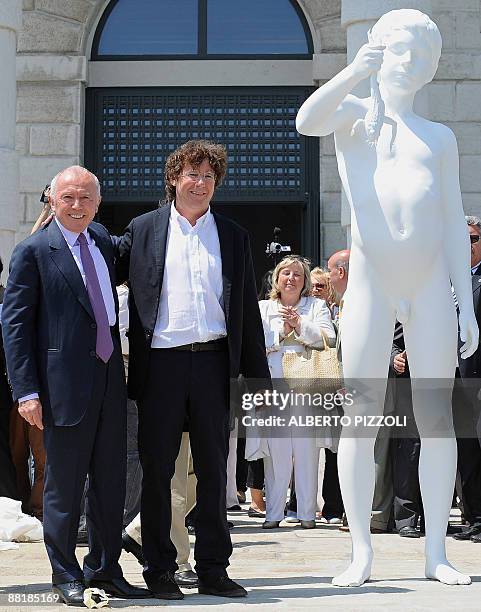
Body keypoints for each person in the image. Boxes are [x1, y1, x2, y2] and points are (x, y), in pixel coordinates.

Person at [297, 9, 478, 586]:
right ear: (378, 53)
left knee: (437, 421)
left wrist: (465, 303)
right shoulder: (353, 118)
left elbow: (452, 219)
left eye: (424, 56)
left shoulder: (440, 137)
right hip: (373, 283)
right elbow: (306, 120)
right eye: (403, 51)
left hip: (429, 288)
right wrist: (354, 71)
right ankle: (360, 552)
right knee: (360, 419)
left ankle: (435, 552)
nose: (414, 64)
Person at [115, 140, 270, 599]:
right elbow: (99, 268)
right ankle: (160, 569)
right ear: (173, 179)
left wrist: (256, 380)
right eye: (192, 174)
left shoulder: (234, 235)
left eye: (209, 176)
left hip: (213, 364)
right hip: (160, 365)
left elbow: (246, 309)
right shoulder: (142, 230)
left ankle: (213, 569)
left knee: (213, 472)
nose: (200, 183)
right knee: (158, 470)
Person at [2, 166, 151, 605]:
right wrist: (25, 392)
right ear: (52, 199)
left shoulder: (103, 241)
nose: (76, 205)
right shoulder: (32, 251)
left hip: (109, 382)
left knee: (110, 486)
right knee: (63, 489)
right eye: (67, 197)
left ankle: (104, 570)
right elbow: (15, 327)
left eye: (85, 197)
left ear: (98, 202)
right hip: (59, 388)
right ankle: (65, 573)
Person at [258, 255, 336, 529]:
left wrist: (300, 325)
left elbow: (330, 337)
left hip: (307, 381)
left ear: (304, 282)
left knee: (306, 450)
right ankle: (274, 512)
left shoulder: (315, 305)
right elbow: (255, 342)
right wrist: (282, 330)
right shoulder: (263, 307)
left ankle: (306, 513)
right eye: (286, 274)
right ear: (277, 279)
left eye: (297, 275)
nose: (291, 278)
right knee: (276, 451)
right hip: (274, 383)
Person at [451, 216, 481, 542]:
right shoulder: (448, 280)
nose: (467, 245)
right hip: (453, 380)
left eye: (472, 239)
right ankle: (472, 517)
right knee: (466, 453)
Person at [310, 267, 344, 525]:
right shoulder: (305, 310)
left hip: (337, 386)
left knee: (336, 448)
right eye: (312, 286)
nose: (315, 290)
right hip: (309, 383)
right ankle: (300, 503)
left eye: (321, 286)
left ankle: (333, 505)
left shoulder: (340, 309)